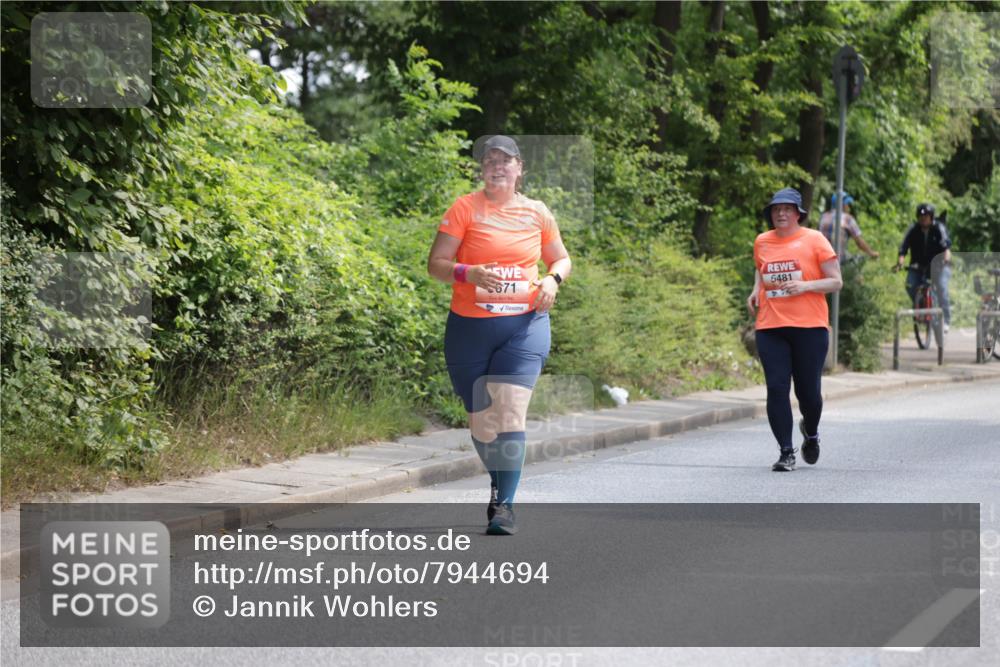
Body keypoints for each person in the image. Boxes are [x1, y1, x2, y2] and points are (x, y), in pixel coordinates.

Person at [427, 135, 571, 535]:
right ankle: (499, 477)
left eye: (505, 160)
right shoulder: (464, 208)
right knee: (481, 424)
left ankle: (504, 506)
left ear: (519, 168)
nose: (497, 165)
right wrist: (467, 272)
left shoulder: (537, 212)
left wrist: (552, 280)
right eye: (490, 159)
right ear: (482, 168)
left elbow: (560, 256)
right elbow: (436, 264)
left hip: (524, 326)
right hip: (469, 329)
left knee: (509, 411)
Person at [747, 188, 843, 472]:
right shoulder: (762, 241)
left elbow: (836, 281)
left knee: (808, 394)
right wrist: (755, 290)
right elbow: (762, 270)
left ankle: (810, 433)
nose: (781, 213)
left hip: (809, 327)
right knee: (776, 388)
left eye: (787, 209)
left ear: (798, 213)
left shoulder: (815, 239)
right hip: (771, 326)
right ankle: (786, 452)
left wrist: (806, 286)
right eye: (776, 209)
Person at [896, 203, 952, 333]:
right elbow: (903, 248)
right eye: (921, 216)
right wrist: (900, 262)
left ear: (931, 217)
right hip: (918, 265)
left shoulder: (939, 228)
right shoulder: (913, 229)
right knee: (910, 285)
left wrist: (946, 260)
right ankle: (920, 304)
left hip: (939, 265)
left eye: (926, 216)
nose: (923, 219)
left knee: (942, 289)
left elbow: (946, 248)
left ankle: (946, 320)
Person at [818, 192, 880, 260]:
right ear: (842, 205)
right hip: (838, 260)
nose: (848, 207)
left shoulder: (823, 216)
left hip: (822, 259)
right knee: (861, 259)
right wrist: (871, 253)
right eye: (847, 204)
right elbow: (859, 243)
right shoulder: (848, 219)